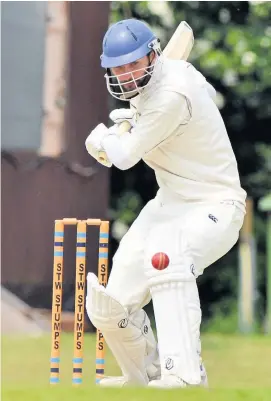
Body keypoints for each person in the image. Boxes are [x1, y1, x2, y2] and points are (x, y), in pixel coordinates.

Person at [85, 18, 247, 388]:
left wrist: (102, 140)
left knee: (166, 255)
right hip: (170, 202)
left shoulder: (172, 93)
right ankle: (144, 376)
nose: (126, 75)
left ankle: (185, 375)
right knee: (112, 303)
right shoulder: (156, 91)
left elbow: (123, 156)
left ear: (153, 56)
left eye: (133, 64)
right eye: (118, 67)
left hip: (215, 203)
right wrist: (136, 117)